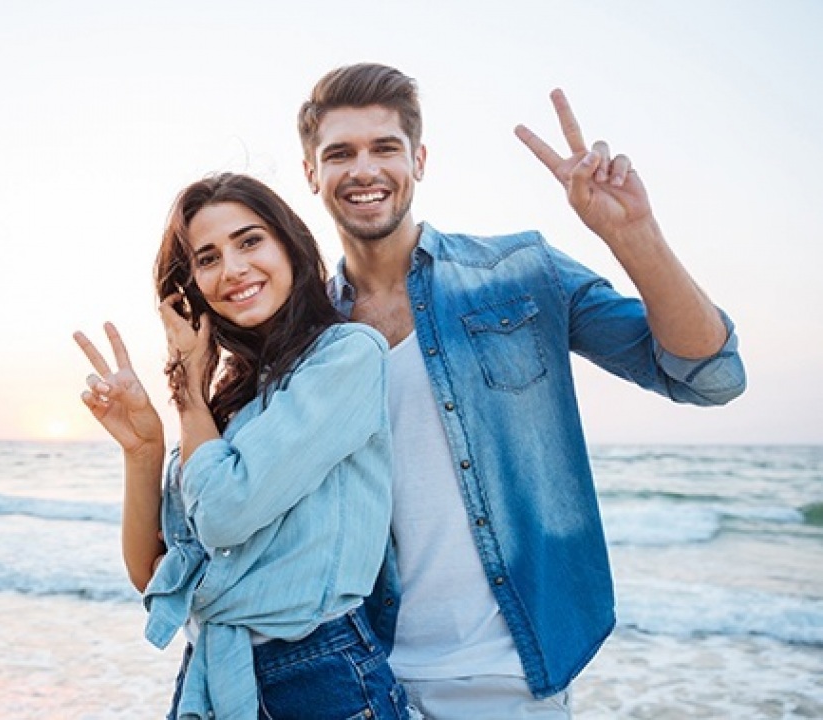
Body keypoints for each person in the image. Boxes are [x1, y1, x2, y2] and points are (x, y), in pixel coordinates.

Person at [295, 63, 747, 718]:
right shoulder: (304, 333)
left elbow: (709, 375)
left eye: (384, 148)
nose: (364, 169)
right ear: (312, 172)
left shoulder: (518, 271)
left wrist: (631, 236)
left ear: (419, 160)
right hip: (365, 684)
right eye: (340, 153)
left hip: (512, 685)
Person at [73, 172, 410, 720]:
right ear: (189, 288)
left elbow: (226, 513)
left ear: (290, 245)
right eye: (206, 258)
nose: (232, 269)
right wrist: (145, 449)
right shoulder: (226, 403)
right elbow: (153, 571)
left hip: (321, 678)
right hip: (212, 669)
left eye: (250, 241)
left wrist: (186, 393)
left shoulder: (346, 357)